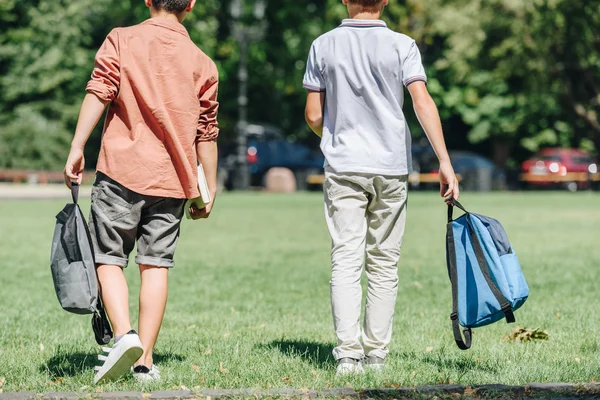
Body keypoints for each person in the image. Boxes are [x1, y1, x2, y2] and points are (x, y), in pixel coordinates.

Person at [63, 0, 219, 384]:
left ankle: (124, 336)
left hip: (122, 171)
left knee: (108, 257)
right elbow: (207, 131)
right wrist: (209, 188)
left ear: (149, 0)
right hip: (173, 181)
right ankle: (144, 362)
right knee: (156, 265)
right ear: (192, 5)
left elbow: (100, 90)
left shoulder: (121, 39)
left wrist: (77, 146)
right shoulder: (203, 63)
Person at [303, 0, 460, 375]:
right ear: (385, 0)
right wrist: (444, 161)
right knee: (384, 263)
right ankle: (376, 354)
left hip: (343, 166)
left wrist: (336, 136)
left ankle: (347, 354)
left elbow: (312, 114)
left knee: (346, 258)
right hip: (390, 167)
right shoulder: (402, 45)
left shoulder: (323, 44)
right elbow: (421, 102)